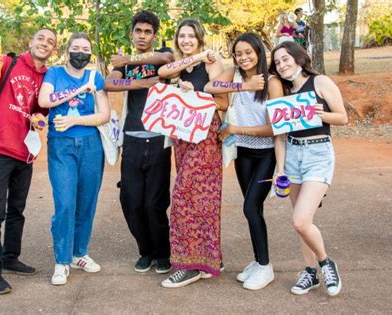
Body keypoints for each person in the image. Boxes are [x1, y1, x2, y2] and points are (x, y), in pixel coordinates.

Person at [0, 28, 57, 294]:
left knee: (17, 210)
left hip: (26, 151)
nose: (45, 44)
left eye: (51, 42)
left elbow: (41, 111)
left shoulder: (46, 76)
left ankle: (10, 257)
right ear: (31, 42)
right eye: (41, 38)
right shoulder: (8, 63)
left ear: (53, 50)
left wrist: (40, 119)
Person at [205, 32, 284, 290]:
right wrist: (242, 86)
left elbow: (274, 129)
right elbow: (209, 87)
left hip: (266, 155)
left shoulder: (271, 82)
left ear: (259, 52)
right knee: (253, 209)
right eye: (239, 53)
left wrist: (236, 129)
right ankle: (258, 261)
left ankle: (265, 266)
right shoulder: (235, 75)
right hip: (244, 154)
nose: (244, 57)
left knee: (251, 207)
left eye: (249, 52)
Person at [269, 41, 347, 297]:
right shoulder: (284, 93)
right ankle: (310, 273)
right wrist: (280, 169)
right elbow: (279, 136)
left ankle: (326, 263)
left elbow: (342, 117)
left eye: (285, 58)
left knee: (301, 221)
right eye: (277, 62)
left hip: (318, 153)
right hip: (292, 154)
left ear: (299, 58)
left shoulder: (320, 82)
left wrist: (320, 113)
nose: (282, 65)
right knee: (302, 222)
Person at [156, 19, 229, 288]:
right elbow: (164, 70)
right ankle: (210, 259)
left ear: (200, 37)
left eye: (191, 36)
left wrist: (195, 92)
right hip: (184, 136)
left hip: (205, 136)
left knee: (187, 196)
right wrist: (191, 60)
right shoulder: (180, 64)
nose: (186, 40)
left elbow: (222, 100)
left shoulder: (212, 63)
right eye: (182, 36)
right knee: (197, 197)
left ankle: (189, 266)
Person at [103, 10, 174, 274]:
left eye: (147, 32)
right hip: (131, 139)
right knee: (131, 201)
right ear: (131, 34)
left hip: (158, 140)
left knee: (154, 203)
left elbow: (166, 58)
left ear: (154, 35)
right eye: (138, 31)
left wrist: (129, 63)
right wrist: (144, 82)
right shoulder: (123, 63)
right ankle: (145, 251)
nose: (142, 35)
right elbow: (110, 84)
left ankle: (162, 253)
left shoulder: (161, 55)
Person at [38, 32, 111, 286]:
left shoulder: (95, 77)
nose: (81, 52)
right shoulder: (55, 74)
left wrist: (75, 119)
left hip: (91, 145)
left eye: (86, 48)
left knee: (87, 202)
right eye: (76, 47)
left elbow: (103, 115)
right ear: (68, 51)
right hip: (61, 145)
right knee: (65, 203)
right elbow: (44, 100)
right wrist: (79, 91)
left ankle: (79, 253)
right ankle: (61, 260)